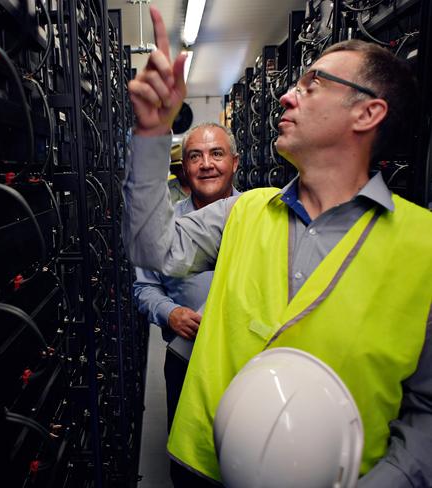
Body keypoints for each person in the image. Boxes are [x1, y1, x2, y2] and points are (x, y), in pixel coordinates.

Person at [123, 6, 432, 488]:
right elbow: (150, 247)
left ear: (368, 112)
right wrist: (151, 135)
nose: (287, 95)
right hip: (206, 467)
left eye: (312, 85)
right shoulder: (244, 211)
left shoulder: (424, 245)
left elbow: (427, 411)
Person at [133, 122, 239, 486]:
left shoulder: (260, 217)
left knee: (248, 454)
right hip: (186, 359)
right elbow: (143, 289)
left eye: (217, 154)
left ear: (235, 163)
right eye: (196, 156)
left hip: (247, 364)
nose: (206, 164)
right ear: (184, 168)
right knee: (189, 462)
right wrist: (170, 312)